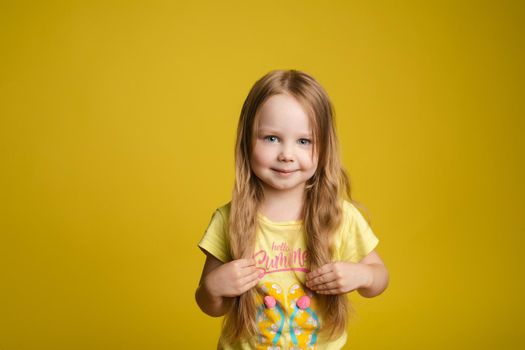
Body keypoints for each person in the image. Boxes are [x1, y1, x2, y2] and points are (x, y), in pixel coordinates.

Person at [195, 69, 389, 349]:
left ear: (323, 148)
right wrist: (213, 288)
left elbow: (379, 278)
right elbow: (211, 306)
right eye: (271, 138)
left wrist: (363, 275)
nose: (286, 154)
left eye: (303, 141)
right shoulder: (229, 219)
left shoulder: (339, 216)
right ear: (247, 143)